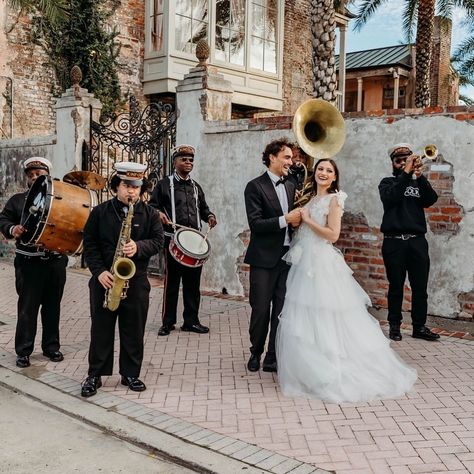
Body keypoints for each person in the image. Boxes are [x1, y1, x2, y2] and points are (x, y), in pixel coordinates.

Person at [276, 158, 417, 403]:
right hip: (303, 261)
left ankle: (333, 369)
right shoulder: (309, 198)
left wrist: (308, 220)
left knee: (326, 314)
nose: (323, 173)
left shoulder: (335, 199)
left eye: (329, 170)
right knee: (305, 317)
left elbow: (333, 235)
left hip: (320, 262)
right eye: (320, 168)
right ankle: (311, 370)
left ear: (334, 177)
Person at [80, 162, 163, 397]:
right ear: (117, 186)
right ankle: (95, 374)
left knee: (133, 330)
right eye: (127, 185)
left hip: (135, 281)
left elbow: (158, 241)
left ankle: (130, 374)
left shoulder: (149, 214)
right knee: (101, 329)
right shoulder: (100, 212)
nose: (131, 191)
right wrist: (99, 272)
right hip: (104, 280)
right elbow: (90, 244)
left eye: (136, 187)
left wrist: (138, 246)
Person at [0, 157, 67, 368]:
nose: (35, 178)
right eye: (31, 175)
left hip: (54, 262)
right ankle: (24, 351)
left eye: (39, 174)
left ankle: (51, 347)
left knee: (52, 307)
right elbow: (3, 220)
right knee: (27, 308)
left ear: (47, 175)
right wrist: (13, 229)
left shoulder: (60, 199)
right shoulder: (18, 200)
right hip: (28, 263)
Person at [244, 137, 301, 373]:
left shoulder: (291, 184)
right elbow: (256, 224)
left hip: (287, 258)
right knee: (260, 310)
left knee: (281, 311)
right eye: (287, 157)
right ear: (272, 157)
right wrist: (285, 219)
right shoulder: (254, 186)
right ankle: (255, 352)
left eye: (291, 158)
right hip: (262, 259)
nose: (291, 161)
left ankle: (272, 356)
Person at [149, 145, 217, 337]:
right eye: (184, 159)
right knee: (171, 284)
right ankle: (167, 323)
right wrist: (159, 213)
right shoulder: (163, 185)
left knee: (192, 285)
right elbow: (151, 207)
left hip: (194, 243)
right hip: (172, 241)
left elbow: (204, 209)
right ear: (175, 162)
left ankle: (191, 321)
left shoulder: (196, 187)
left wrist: (210, 216)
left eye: (191, 160)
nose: (188, 163)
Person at [379, 143, 440, 342]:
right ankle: (395, 326)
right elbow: (392, 198)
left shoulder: (416, 183)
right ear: (393, 163)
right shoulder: (387, 183)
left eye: (407, 160)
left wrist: (419, 176)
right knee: (396, 287)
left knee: (420, 287)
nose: (403, 163)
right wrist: (406, 173)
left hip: (417, 242)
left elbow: (431, 199)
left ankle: (419, 327)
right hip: (394, 242)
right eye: (399, 161)